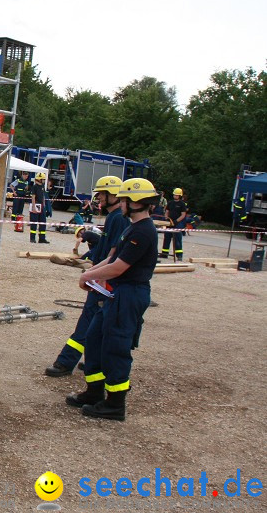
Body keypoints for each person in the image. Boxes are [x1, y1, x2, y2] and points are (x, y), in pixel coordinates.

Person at [68, 178, 159, 421]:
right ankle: (94, 392)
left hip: (129, 294)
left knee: (116, 347)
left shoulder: (144, 231)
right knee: (95, 338)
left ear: (136, 202)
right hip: (117, 293)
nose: (121, 204)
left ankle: (115, 404)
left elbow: (119, 267)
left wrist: (89, 275)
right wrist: (91, 273)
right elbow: (112, 258)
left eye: (125, 199)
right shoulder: (131, 227)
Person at [45, 176, 129, 377]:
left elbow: (114, 254)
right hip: (103, 278)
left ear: (113, 195)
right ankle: (96, 359)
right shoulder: (114, 217)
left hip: (104, 281)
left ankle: (65, 362)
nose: (98, 197)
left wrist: (95, 275)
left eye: (101, 194)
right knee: (98, 323)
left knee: (87, 321)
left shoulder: (118, 218)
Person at [160, 188, 187, 260]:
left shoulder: (182, 204)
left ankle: (179, 255)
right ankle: (164, 254)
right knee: (167, 238)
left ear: (180, 196)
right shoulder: (170, 203)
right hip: (170, 222)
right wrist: (166, 218)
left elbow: (183, 215)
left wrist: (176, 221)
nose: (175, 196)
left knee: (177, 239)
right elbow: (167, 211)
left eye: (176, 195)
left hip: (177, 223)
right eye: (174, 194)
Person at [29, 172, 49, 244]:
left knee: (43, 222)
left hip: (41, 206)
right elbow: (33, 197)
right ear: (39, 179)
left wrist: (44, 205)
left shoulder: (42, 186)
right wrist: (34, 207)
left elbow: (43, 196)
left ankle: (42, 238)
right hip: (36, 205)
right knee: (34, 222)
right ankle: (32, 238)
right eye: (43, 179)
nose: (44, 180)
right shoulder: (35, 186)